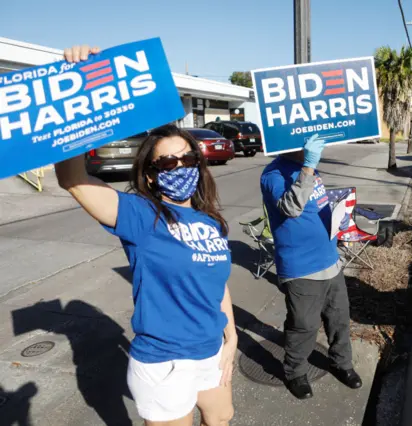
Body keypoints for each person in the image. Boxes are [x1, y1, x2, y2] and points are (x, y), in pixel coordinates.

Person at [55, 45, 236, 426]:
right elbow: (72, 180)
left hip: (210, 351)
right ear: (151, 174)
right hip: (165, 363)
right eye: (169, 161)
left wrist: (231, 338)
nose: (181, 166)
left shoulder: (209, 221)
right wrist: (76, 93)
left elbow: (216, 282)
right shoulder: (142, 215)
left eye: (189, 159)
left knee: (221, 417)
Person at [260, 135, 362, 399]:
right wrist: (308, 166)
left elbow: (315, 206)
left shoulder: (310, 169)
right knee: (303, 325)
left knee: (339, 319)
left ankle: (342, 364)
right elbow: (291, 208)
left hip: (330, 260)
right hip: (301, 267)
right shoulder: (273, 174)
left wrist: (340, 221)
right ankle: (295, 372)